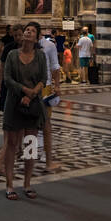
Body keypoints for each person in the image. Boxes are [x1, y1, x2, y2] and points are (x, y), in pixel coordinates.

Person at [2, 23, 47, 200]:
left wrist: (32, 94)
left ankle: (27, 183)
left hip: (33, 104)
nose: (28, 32)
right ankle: (9, 184)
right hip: (14, 103)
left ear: (36, 37)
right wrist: (24, 90)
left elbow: (43, 78)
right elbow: (7, 79)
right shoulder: (12, 55)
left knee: (30, 144)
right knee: (12, 144)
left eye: (32, 31)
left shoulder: (41, 56)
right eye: (27, 30)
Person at [39, 29, 63, 171]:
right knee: (29, 123)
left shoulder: (49, 46)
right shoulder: (25, 47)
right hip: (29, 87)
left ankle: (44, 154)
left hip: (45, 86)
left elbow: (55, 67)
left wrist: (57, 86)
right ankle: (31, 151)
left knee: (45, 121)